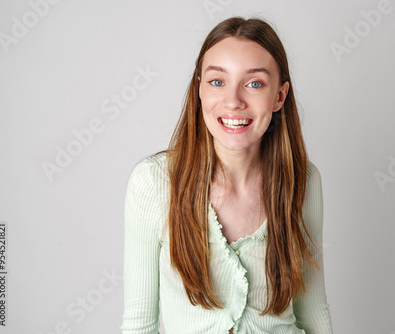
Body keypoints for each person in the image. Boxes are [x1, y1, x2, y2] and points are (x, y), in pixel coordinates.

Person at [120, 16, 333, 334]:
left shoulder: (302, 181)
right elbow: (139, 323)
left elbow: (313, 311)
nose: (233, 101)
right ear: (199, 90)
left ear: (279, 96)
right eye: (217, 81)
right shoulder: (153, 183)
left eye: (254, 83)